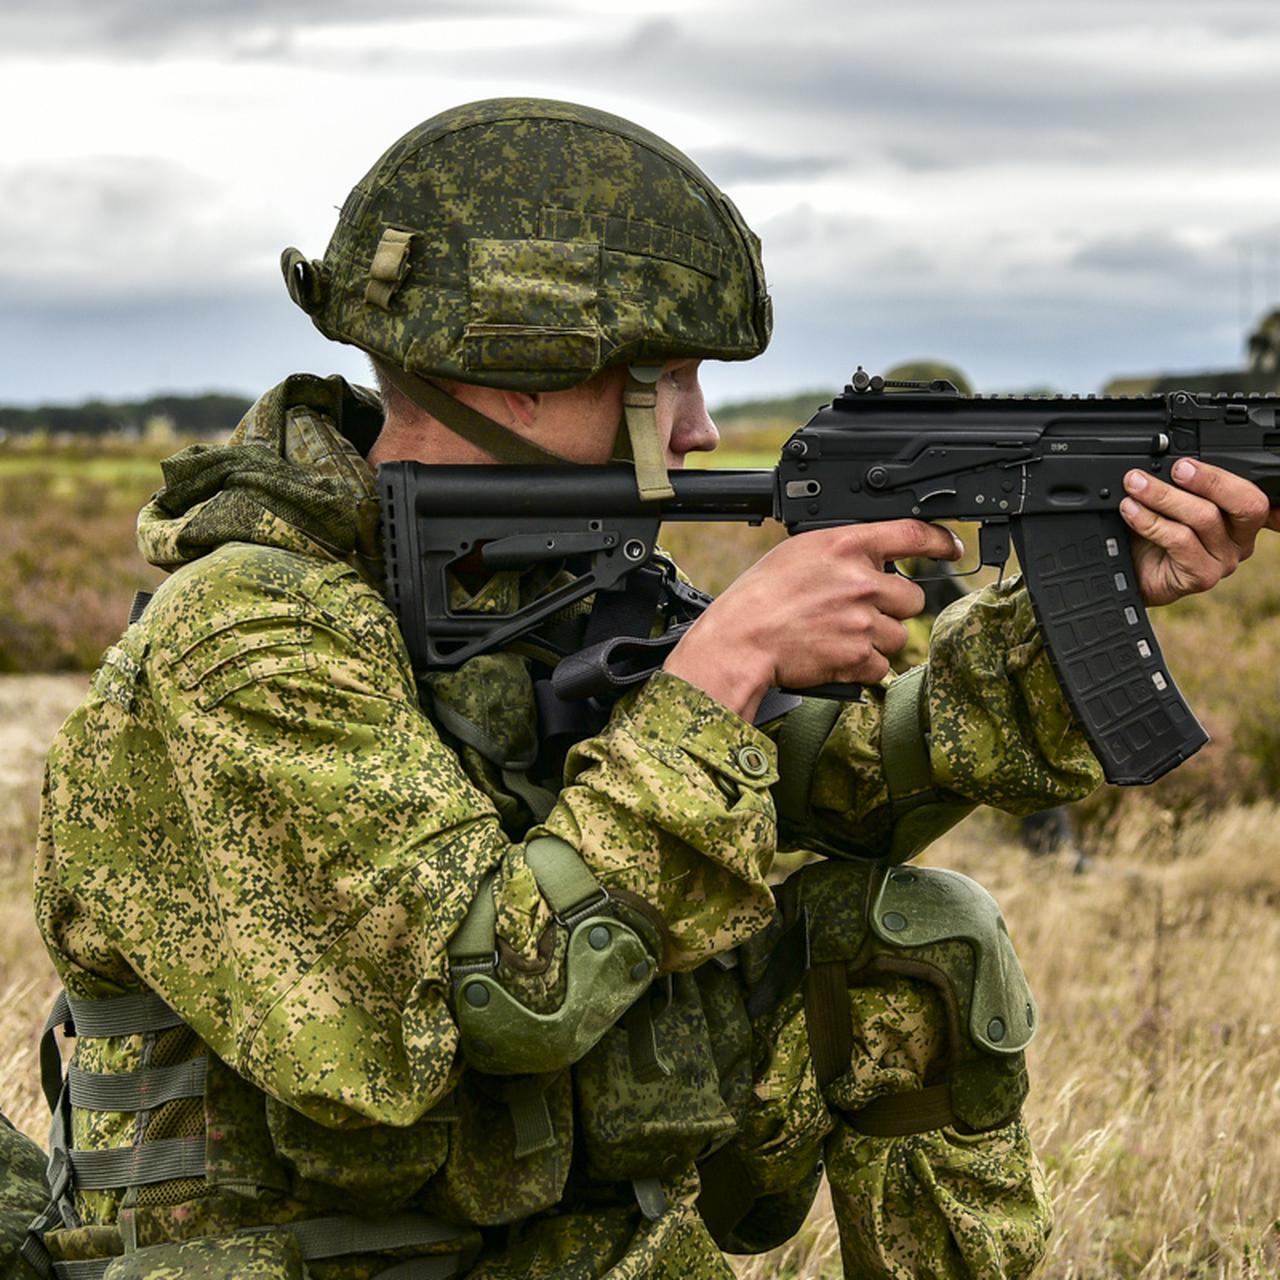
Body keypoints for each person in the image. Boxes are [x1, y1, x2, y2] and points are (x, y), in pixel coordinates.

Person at [21, 99, 1274, 1280]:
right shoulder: (245, 638)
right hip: (304, 1248)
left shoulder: (551, 580)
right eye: (664, 377)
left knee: (915, 932)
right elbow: (489, 1005)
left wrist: (1061, 621)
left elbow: (844, 789)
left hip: (546, 1231)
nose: (694, 424)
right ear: (522, 364)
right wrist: (721, 666)